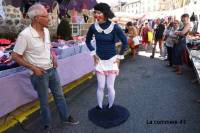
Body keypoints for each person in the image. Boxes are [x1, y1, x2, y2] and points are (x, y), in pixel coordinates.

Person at [11, 3, 79, 131]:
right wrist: (33, 68)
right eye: (46, 16)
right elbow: (15, 56)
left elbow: (47, 47)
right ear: (36, 18)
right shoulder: (24, 35)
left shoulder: (46, 31)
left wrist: (53, 57)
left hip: (52, 70)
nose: (49, 18)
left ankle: (66, 117)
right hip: (39, 73)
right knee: (44, 101)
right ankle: (47, 124)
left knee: (59, 95)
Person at [86, 3, 127, 109]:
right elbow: (87, 41)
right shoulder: (93, 27)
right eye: (95, 12)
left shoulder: (115, 27)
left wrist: (119, 57)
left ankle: (111, 106)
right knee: (100, 86)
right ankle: (99, 107)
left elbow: (125, 42)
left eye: (98, 12)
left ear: (105, 13)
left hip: (112, 60)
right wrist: (93, 54)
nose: (96, 15)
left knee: (110, 87)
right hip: (100, 61)